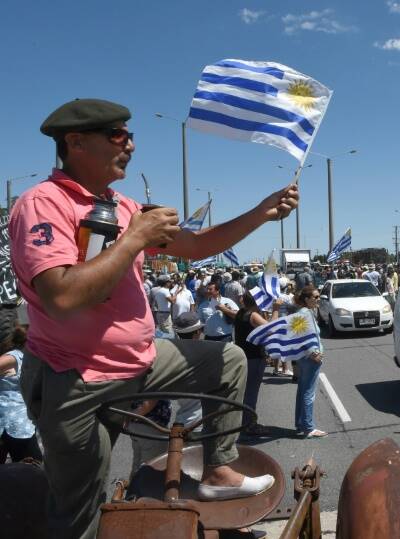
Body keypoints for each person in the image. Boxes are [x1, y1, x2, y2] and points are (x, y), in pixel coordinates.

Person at [10, 98, 298, 538]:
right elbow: (61, 296)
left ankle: (219, 473)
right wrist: (135, 238)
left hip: (139, 361)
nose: (131, 145)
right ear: (75, 142)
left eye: (130, 135)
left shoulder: (121, 205)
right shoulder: (42, 203)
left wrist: (261, 212)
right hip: (76, 379)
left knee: (230, 361)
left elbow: (197, 246)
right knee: (78, 514)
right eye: (118, 135)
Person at [234, 292, 281, 436]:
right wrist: (275, 309)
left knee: (246, 392)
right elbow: (271, 329)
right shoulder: (252, 315)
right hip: (253, 358)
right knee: (251, 393)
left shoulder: (242, 312)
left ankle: (244, 422)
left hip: (244, 356)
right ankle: (249, 425)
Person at [0, 326, 43, 462]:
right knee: (33, 469)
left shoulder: (31, 359)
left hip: (21, 422)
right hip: (12, 423)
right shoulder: (14, 357)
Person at [292, 286, 327, 438]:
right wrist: (312, 353)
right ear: (307, 299)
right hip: (309, 359)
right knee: (308, 393)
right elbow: (299, 336)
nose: (318, 299)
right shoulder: (304, 314)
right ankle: (308, 427)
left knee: (303, 391)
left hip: (305, 358)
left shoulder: (305, 312)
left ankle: (301, 424)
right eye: (316, 297)